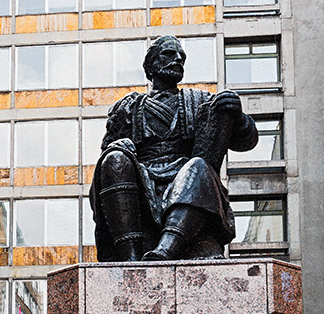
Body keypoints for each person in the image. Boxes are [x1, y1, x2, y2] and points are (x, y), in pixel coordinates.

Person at [89, 35, 259, 262]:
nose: (178, 59)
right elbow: (107, 158)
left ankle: (167, 249)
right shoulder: (129, 107)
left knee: (198, 166)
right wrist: (118, 150)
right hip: (141, 180)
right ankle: (130, 259)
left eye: (182, 57)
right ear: (151, 66)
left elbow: (247, 141)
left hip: (187, 175)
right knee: (115, 159)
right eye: (169, 54)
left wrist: (238, 117)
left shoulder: (200, 100)